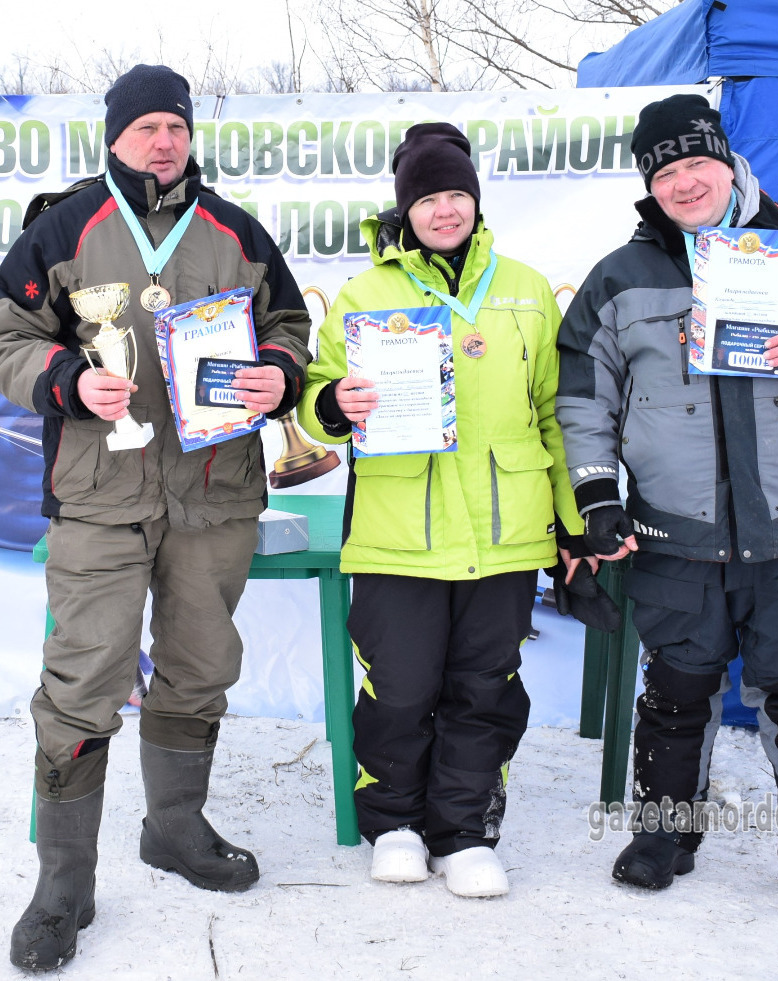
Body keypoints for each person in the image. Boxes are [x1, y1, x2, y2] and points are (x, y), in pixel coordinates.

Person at [0, 64, 311, 972]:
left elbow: (288, 325)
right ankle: (63, 881)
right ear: (115, 136)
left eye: (176, 125)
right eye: (145, 127)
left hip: (214, 489)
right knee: (84, 679)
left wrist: (279, 372)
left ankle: (173, 827)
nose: (163, 141)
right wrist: (66, 382)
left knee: (200, 667)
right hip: (100, 494)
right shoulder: (64, 228)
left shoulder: (236, 233)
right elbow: (3, 340)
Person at [556, 94, 778, 929]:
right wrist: (598, 494)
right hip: (676, 530)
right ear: (649, 184)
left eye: (694, 164)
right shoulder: (619, 276)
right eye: (663, 172)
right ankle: (663, 835)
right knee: (675, 692)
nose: (682, 183)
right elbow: (581, 399)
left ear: (727, 162)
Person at [298, 122, 589, 899]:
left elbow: (555, 413)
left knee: (483, 683)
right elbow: (314, 404)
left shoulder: (526, 289)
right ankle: (394, 823)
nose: (445, 210)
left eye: (457, 194)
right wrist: (334, 401)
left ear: (476, 201)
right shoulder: (365, 294)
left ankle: (463, 830)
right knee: (398, 685)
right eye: (429, 198)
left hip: (504, 529)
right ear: (406, 210)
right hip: (400, 530)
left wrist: (572, 519)